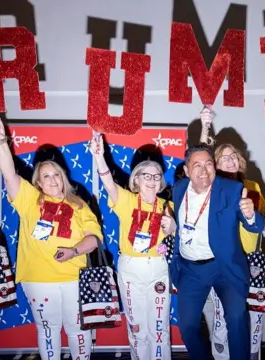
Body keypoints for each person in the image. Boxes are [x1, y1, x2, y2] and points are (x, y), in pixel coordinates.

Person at [0, 118, 102, 360]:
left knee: (78, 331)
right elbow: (9, 173)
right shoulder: (30, 200)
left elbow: (93, 238)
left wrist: (73, 251)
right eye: (46, 176)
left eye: (56, 175)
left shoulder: (79, 204)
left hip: (73, 277)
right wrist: (0, 141)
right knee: (48, 331)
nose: (52, 180)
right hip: (38, 279)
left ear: (63, 178)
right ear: (38, 182)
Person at [170, 144, 265, 360]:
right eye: (196, 165)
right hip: (191, 269)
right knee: (187, 326)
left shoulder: (231, 189)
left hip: (223, 267)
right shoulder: (179, 189)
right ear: (187, 171)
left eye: (209, 164)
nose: (204, 170)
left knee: (236, 318)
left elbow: (255, 226)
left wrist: (250, 214)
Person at [90, 133, 177, 360]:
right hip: (130, 268)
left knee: (159, 329)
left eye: (157, 176)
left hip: (158, 268)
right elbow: (108, 181)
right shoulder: (127, 200)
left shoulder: (168, 205)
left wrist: (173, 229)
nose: (152, 180)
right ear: (136, 180)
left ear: (161, 181)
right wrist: (99, 157)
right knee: (138, 328)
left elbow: (179, 237)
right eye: (145, 175)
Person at [198, 107, 265, 360]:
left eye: (232, 156)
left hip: (252, 259)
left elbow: (260, 224)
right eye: (223, 157)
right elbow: (199, 157)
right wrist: (205, 126)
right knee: (223, 317)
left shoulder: (251, 186)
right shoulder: (212, 186)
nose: (229, 160)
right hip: (226, 261)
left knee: (253, 316)